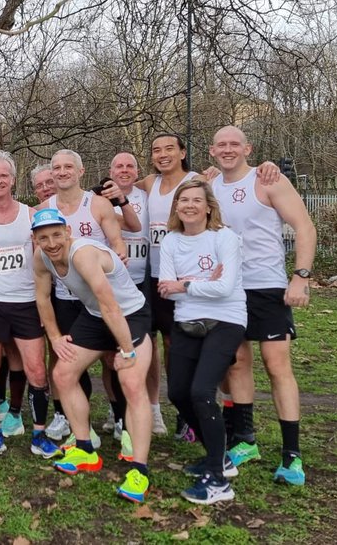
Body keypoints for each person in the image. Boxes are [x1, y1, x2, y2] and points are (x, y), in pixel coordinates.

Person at [210, 126, 315, 486]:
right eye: (221, 144)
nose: (227, 150)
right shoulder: (208, 185)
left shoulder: (268, 180)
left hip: (267, 286)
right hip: (228, 289)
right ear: (212, 151)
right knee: (237, 363)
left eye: (234, 144)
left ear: (247, 148)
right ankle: (246, 440)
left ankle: (292, 455)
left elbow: (304, 226)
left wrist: (300, 276)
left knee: (276, 366)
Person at [30, 208, 154, 503]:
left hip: (129, 314)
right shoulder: (40, 257)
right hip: (95, 316)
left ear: (68, 233)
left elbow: (110, 304)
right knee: (62, 374)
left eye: (57, 235)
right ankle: (85, 449)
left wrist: (125, 351)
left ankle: (140, 469)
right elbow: (42, 298)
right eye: (43, 237)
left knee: (132, 383)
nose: (51, 243)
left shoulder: (83, 254)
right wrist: (56, 337)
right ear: (35, 239)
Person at [0, 152, 61, 460]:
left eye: (3, 175)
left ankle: (39, 434)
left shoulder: (30, 215)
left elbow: (43, 264)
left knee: (36, 370)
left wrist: (44, 307)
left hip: (26, 303)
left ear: (13, 179)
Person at [158, 178, 247, 505]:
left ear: (209, 207)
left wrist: (185, 284)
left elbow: (224, 289)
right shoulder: (170, 242)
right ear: (176, 208)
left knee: (201, 392)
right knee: (179, 392)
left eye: (197, 200)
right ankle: (218, 455)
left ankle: (218, 482)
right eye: (184, 201)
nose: (190, 206)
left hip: (226, 320)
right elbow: (166, 287)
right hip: (186, 320)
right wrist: (194, 283)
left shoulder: (225, 237)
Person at [41, 150, 127, 444]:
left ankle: (120, 419)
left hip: (99, 298)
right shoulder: (44, 207)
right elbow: (39, 259)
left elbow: (117, 244)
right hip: (65, 297)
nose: (62, 172)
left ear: (80, 171)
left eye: (68, 167)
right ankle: (81, 427)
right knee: (67, 359)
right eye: (56, 168)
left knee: (111, 359)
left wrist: (118, 256)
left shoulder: (99, 204)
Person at [138, 134, 200, 441]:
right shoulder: (149, 184)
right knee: (148, 346)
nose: (162, 155)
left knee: (179, 347)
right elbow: (123, 184)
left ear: (183, 152)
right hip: (153, 277)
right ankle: (153, 409)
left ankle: (186, 413)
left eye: (169, 149)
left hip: (185, 279)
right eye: (156, 150)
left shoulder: (197, 181)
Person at [109, 153, 159, 434]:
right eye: (119, 166)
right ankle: (116, 410)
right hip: (114, 284)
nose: (124, 170)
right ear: (110, 171)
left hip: (145, 280)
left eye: (130, 166)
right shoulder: (101, 199)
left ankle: (153, 407)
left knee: (148, 346)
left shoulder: (148, 193)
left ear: (137, 171)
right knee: (112, 350)